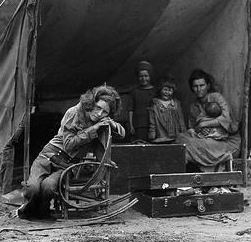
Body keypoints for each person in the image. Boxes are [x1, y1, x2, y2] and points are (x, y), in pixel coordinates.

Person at [17, 85, 125, 220]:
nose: (99, 114)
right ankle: (27, 211)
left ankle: (43, 213)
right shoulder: (74, 112)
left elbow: (121, 134)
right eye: (98, 108)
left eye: (105, 112)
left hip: (68, 164)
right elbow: (69, 145)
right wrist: (93, 129)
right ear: (91, 103)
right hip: (48, 155)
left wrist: (112, 124)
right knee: (33, 188)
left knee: (48, 187)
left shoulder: (102, 121)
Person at [176, 69, 240, 170]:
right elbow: (193, 128)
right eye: (195, 86)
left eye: (202, 85)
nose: (199, 89)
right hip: (205, 138)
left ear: (208, 86)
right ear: (192, 88)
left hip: (226, 141)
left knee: (187, 146)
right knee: (180, 138)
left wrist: (205, 124)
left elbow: (226, 119)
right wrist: (199, 129)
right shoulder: (193, 106)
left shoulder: (216, 98)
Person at [148, 76, 186, 143]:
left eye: (170, 90)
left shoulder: (176, 104)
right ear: (160, 89)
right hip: (161, 136)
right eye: (165, 89)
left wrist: (183, 133)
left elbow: (181, 120)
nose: (167, 93)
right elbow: (152, 121)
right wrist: (152, 134)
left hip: (175, 136)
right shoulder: (155, 104)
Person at [128, 61, 156, 143]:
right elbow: (130, 109)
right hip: (139, 125)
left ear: (150, 76)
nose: (143, 79)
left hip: (152, 125)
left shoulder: (155, 91)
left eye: (146, 76)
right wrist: (131, 125)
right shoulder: (134, 92)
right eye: (141, 76)